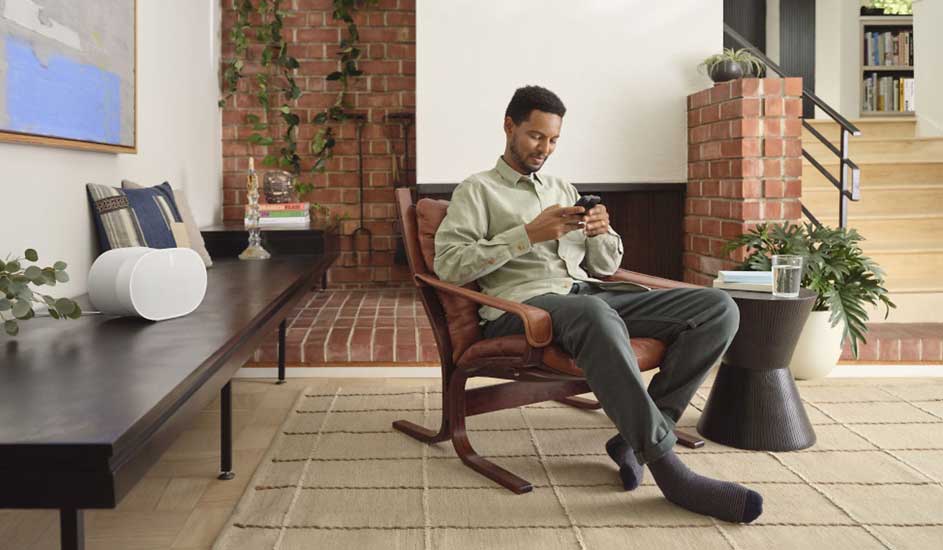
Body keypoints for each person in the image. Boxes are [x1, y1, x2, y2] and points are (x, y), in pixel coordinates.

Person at [432, 85, 763, 524]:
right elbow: (449, 266)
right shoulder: (477, 191)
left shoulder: (560, 186)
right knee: (594, 312)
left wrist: (601, 233)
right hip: (523, 311)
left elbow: (605, 266)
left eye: (553, 140)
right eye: (535, 136)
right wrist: (527, 234)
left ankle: (633, 438)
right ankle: (669, 469)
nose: (544, 149)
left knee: (718, 308)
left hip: (587, 295)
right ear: (509, 126)